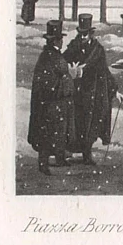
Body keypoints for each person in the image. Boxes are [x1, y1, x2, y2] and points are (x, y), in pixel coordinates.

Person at [62, 15, 119, 165]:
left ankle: (87, 153)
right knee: (76, 122)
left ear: (91, 33)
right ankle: (70, 151)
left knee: (91, 123)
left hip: (92, 93)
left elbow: (104, 71)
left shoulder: (97, 49)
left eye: (86, 33)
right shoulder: (74, 45)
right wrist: (70, 69)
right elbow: (64, 61)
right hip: (77, 92)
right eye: (81, 33)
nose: (83, 36)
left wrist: (115, 90)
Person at [27, 20, 79, 175]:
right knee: (50, 133)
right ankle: (44, 164)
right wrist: (73, 75)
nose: (62, 41)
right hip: (53, 103)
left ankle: (58, 158)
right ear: (56, 41)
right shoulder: (53, 58)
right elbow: (58, 80)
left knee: (54, 132)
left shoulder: (47, 56)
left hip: (51, 102)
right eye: (60, 39)